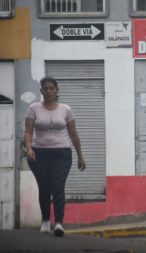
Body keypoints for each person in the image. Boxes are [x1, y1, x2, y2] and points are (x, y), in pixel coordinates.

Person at [24, 77, 86, 237]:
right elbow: (28, 131)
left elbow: (73, 134)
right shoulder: (33, 108)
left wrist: (80, 156)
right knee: (44, 189)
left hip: (62, 153)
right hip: (39, 153)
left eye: (52, 88)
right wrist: (29, 147)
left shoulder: (66, 109)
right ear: (41, 91)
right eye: (46, 88)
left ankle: (59, 222)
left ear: (57, 91)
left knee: (58, 187)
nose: (49, 91)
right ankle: (45, 220)